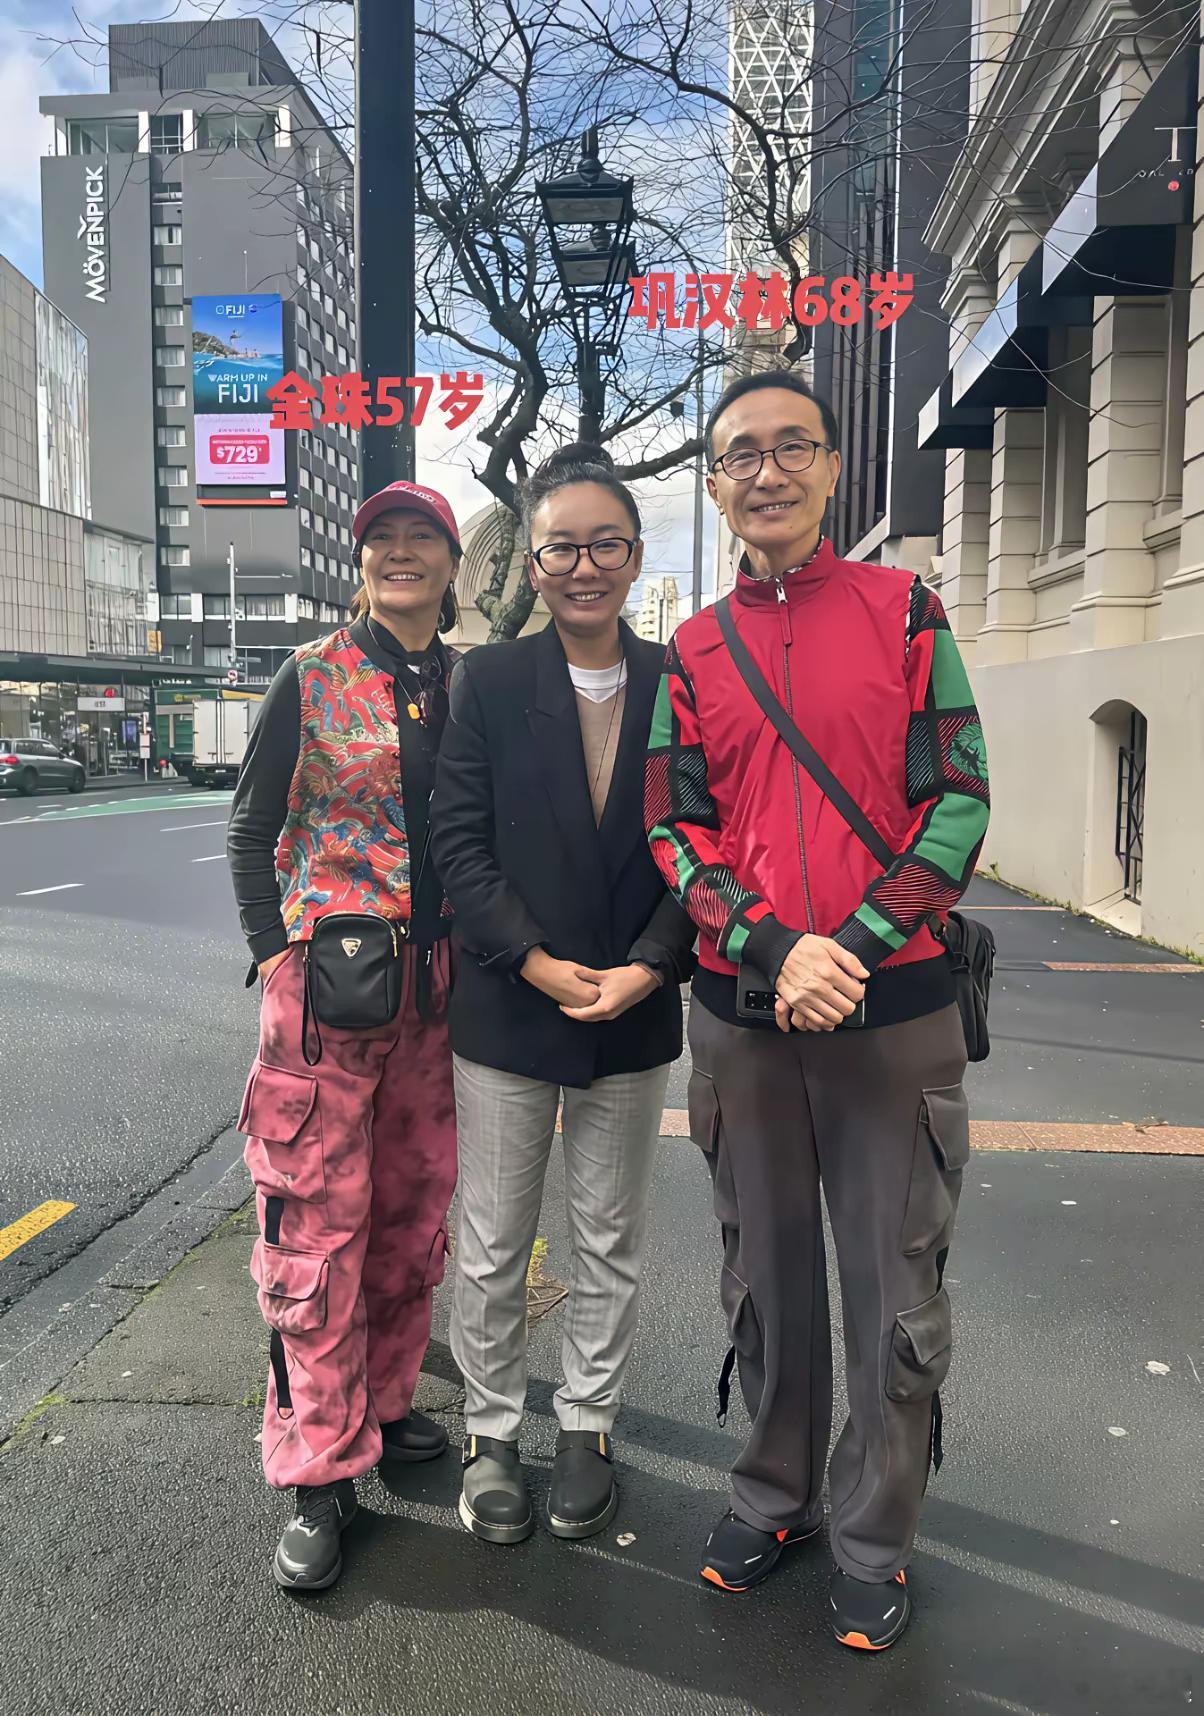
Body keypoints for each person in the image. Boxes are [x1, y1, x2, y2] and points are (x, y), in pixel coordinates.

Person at [645, 371, 990, 1649]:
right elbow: (672, 828)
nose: (768, 471)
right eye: (741, 453)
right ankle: (774, 1492)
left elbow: (959, 796)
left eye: (793, 446)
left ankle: (874, 1535)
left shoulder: (906, 612)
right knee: (763, 1273)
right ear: (715, 484)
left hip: (890, 1013)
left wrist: (847, 947)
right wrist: (772, 946)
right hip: (743, 1013)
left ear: (835, 469)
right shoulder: (691, 652)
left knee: (895, 1290)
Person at [432, 443, 695, 1545]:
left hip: (632, 1005)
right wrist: (530, 958)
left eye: (605, 545)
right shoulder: (488, 683)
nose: (584, 567)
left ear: (633, 555)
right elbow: (457, 843)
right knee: (494, 1241)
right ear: (532, 563)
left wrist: (653, 962)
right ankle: (491, 1432)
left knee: (608, 1237)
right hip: (508, 1003)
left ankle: (588, 1425)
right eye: (561, 548)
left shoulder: (684, 679)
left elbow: (707, 843)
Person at [226, 480, 463, 1592]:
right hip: (324, 998)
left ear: (452, 563)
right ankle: (316, 1465)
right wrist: (275, 954)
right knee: (315, 1233)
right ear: (360, 563)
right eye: (383, 539)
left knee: (412, 1217)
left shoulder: (467, 685)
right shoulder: (311, 675)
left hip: (436, 999)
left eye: (422, 537)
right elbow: (251, 828)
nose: (400, 552)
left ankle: (385, 1401)